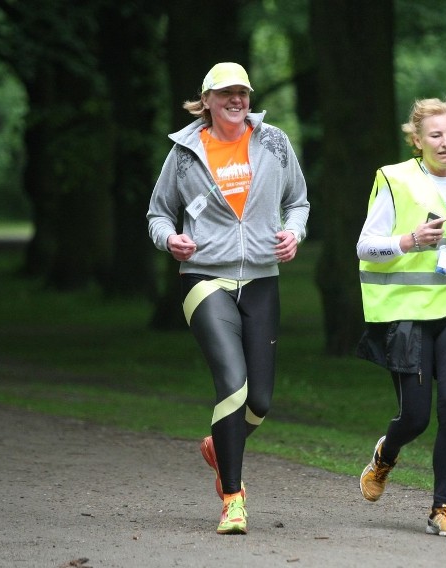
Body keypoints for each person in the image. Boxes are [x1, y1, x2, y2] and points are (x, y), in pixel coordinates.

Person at [146, 62, 310, 535]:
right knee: (232, 384)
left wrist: (294, 233)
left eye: (242, 92)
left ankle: (221, 444)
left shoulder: (274, 142)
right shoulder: (184, 152)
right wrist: (170, 241)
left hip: (261, 275)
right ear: (207, 100)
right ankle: (233, 498)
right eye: (225, 94)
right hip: (204, 276)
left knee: (259, 401)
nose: (236, 100)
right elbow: (159, 214)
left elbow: (298, 200)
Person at [355, 97, 446, 538]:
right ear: (417, 140)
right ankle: (386, 453)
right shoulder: (393, 179)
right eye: (435, 135)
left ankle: (442, 508)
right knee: (416, 418)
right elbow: (365, 247)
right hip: (409, 316)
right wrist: (409, 240)